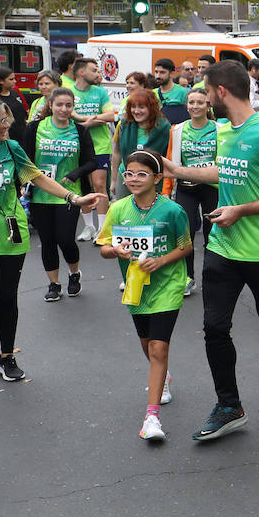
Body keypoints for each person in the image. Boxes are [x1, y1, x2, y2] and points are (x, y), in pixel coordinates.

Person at [161, 60, 259, 441]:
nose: (205, 100)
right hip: (223, 249)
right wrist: (177, 171)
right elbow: (226, 171)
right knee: (213, 327)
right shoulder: (224, 131)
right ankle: (229, 405)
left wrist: (242, 209)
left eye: (207, 92)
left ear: (221, 91)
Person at [0, 96, 103, 382]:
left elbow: (38, 178)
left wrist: (74, 197)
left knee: (8, 298)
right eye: (2, 119)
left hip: (10, 234)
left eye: (8, 118)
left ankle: (7, 356)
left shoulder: (11, 149)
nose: (9, 124)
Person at [96, 150, 191, 440]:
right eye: (129, 174)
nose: (134, 179)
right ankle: (161, 376)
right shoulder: (119, 209)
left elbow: (186, 247)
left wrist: (161, 261)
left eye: (141, 174)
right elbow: (103, 248)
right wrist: (116, 250)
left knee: (158, 349)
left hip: (168, 285)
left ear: (157, 177)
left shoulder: (173, 211)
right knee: (147, 344)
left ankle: (152, 418)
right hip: (137, 286)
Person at [22, 87, 100, 301]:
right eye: (59, 105)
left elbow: (92, 161)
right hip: (40, 194)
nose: (64, 109)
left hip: (70, 194)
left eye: (68, 105)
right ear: (51, 105)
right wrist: (24, 183)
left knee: (65, 239)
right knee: (47, 240)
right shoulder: (35, 128)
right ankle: (54, 284)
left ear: (73, 107)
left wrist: (75, 174)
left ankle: (74, 274)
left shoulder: (80, 131)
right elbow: (25, 159)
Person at [168, 87, 218, 293]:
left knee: (211, 233)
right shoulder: (177, 129)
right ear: (186, 105)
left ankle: (211, 274)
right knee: (185, 232)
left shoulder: (219, 128)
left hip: (212, 186)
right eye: (191, 102)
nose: (195, 106)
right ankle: (188, 277)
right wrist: (167, 190)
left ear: (208, 105)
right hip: (186, 187)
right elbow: (172, 162)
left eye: (200, 102)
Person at [69, 58, 116, 241]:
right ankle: (89, 227)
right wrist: (91, 119)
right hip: (77, 145)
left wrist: (85, 120)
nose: (98, 74)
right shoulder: (70, 92)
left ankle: (102, 229)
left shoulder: (100, 92)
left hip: (100, 145)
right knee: (83, 187)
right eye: (94, 70)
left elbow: (110, 115)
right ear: (82, 72)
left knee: (99, 185)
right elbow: (69, 114)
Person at [111, 90, 171, 192]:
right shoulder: (124, 125)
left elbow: (170, 159)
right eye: (133, 107)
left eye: (141, 107)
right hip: (126, 177)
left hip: (153, 182)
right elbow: (117, 153)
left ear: (151, 108)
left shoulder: (165, 128)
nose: (136, 111)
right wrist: (113, 181)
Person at [0, 66, 28, 145]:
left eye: (14, 78)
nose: (15, 81)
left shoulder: (15, 94)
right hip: (8, 139)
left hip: (22, 136)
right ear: (1, 81)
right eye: (11, 79)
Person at [152, 58, 189, 125]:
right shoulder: (152, 94)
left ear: (171, 73)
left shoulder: (182, 92)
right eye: (156, 72)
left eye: (162, 72)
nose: (158, 76)